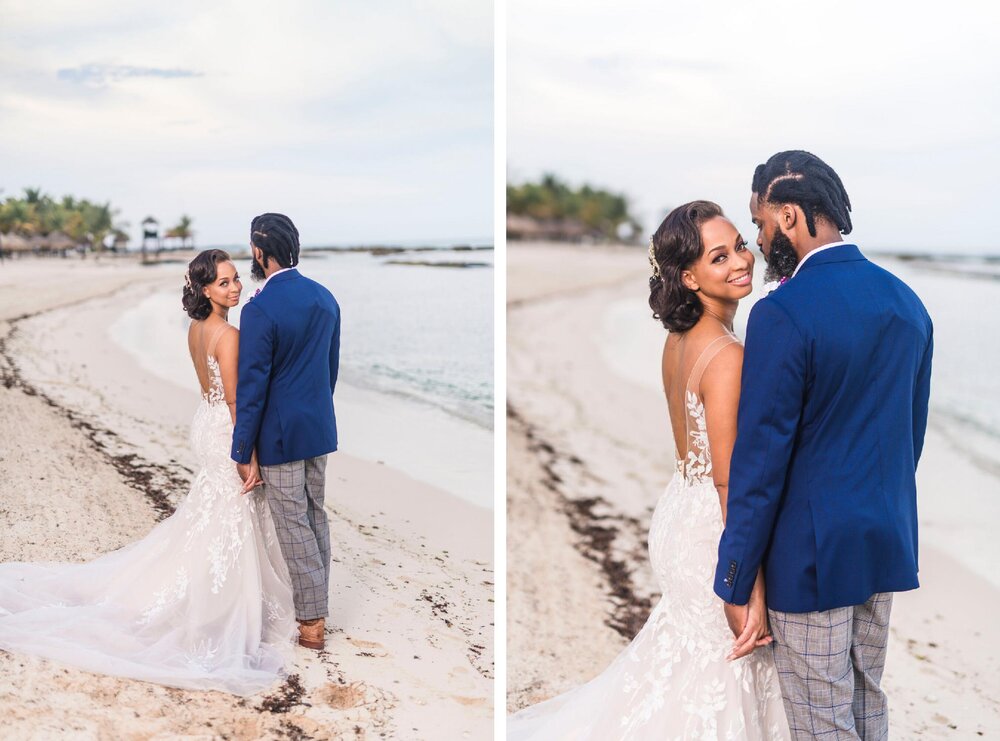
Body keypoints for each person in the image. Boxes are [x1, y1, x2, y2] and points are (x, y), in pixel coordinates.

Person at [507, 201, 790, 740]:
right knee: (728, 677)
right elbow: (729, 477)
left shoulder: (678, 340)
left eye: (739, 245)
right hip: (714, 530)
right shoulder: (727, 355)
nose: (741, 260)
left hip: (679, 514)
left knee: (690, 672)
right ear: (689, 277)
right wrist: (743, 582)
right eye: (719, 256)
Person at [0, 248, 297, 695]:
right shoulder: (229, 335)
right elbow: (236, 401)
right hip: (225, 430)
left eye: (236, 279)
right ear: (204, 289)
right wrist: (246, 453)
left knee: (211, 514)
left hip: (205, 420)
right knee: (231, 514)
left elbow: (210, 386)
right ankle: (221, 607)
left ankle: (212, 593)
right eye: (224, 283)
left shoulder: (197, 328)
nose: (235, 287)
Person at [715, 150, 933, 739]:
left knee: (820, 720)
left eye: (760, 225)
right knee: (866, 702)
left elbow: (760, 463)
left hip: (809, 559)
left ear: (790, 217)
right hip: (884, 540)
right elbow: (908, 440)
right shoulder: (908, 304)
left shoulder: (782, 312)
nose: (760, 242)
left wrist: (734, 577)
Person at [230, 213, 341, 652]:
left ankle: (312, 621)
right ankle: (317, 610)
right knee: (316, 516)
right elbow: (329, 371)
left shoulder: (259, 309)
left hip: (279, 436)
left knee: (293, 524)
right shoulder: (325, 298)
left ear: (259, 252)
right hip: (318, 427)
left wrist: (242, 448)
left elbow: (252, 387)